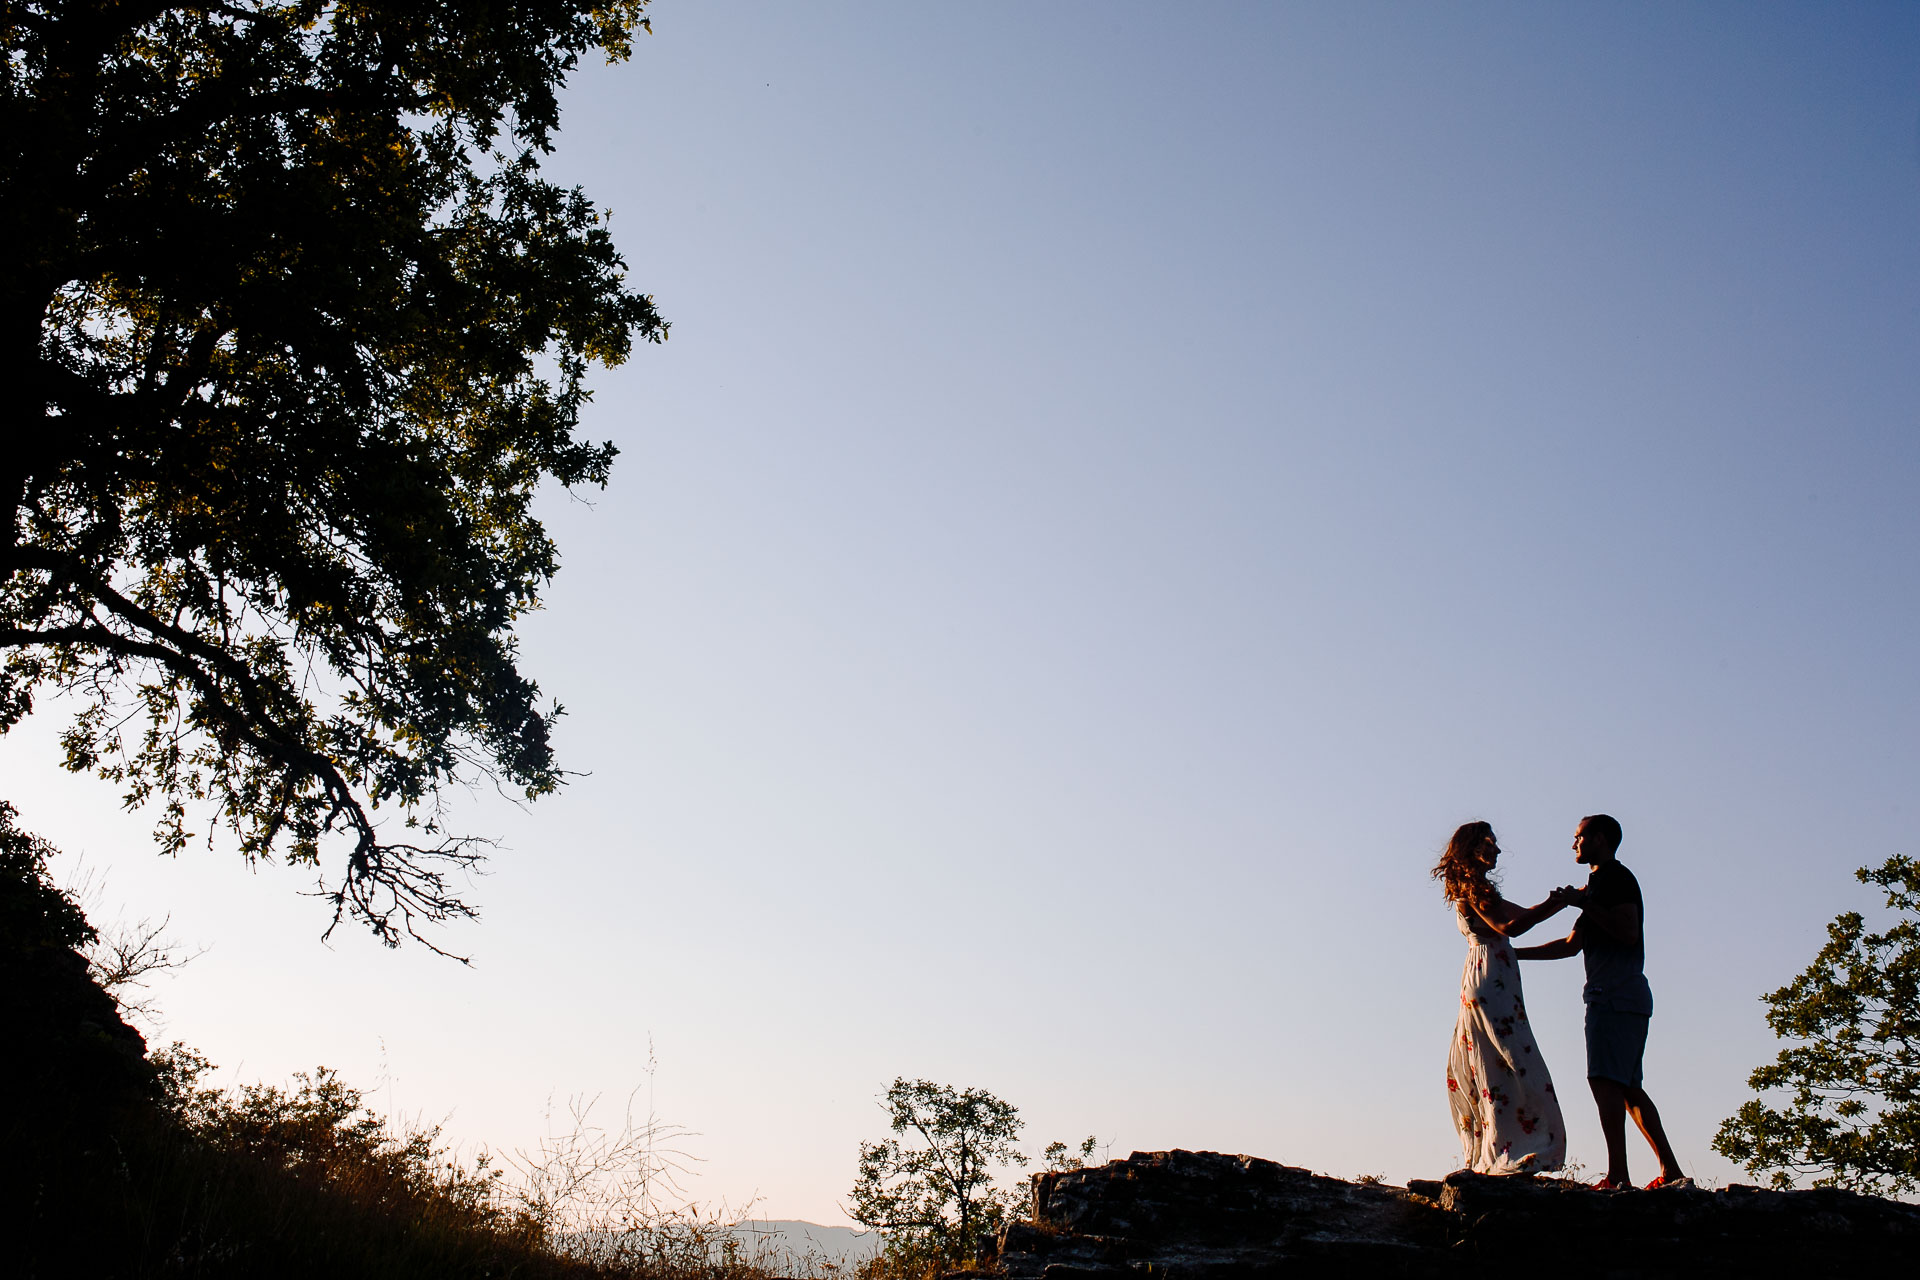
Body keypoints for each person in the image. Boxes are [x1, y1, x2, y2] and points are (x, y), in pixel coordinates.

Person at [1515, 814, 1689, 1190]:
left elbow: (1627, 932)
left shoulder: (1615, 879)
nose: (1574, 844)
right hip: (1619, 996)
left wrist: (1584, 903)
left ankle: (1618, 1177)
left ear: (1600, 838)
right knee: (1627, 1088)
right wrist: (1512, 955)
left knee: (1606, 1083)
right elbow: (1570, 946)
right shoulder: (1597, 886)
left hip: (1615, 995)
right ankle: (1669, 1171)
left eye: (1579, 837)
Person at [1433, 821, 1580, 1175]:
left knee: (1497, 1062)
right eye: (1490, 844)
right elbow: (1511, 927)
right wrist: (1556, 903)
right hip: (1491, 975)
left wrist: (1559, 904)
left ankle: (1505, 1146)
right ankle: (1521, 1147)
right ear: (1475, 848)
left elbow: (1521, 915)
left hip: (1487, 973)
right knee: (1513, 1060)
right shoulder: (1475, 888)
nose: (1497, 850)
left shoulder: (1475, 889)